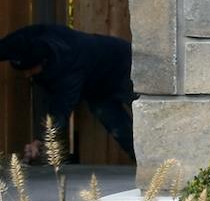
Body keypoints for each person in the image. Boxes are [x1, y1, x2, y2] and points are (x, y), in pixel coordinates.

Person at [0, 23, 135, 163]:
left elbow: (60, 111)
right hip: (96, 86)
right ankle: (143, 161)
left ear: (43, 62)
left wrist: (40, 141)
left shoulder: (69, 72)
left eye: (30, 70)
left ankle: (155, 163)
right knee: (115, 123)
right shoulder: (44, 33)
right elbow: (12, 43)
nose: (27, 75)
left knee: (146, 112)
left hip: (125, 67)